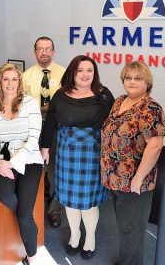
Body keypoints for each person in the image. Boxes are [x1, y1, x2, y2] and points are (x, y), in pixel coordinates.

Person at [41, 55, 114, 260]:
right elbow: (50, 122)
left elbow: (114, 124)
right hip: (66, 153)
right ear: (72, 72)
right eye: (80, 70)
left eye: (89, 70)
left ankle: (90, 237)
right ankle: (75, 235)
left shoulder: (104, 94)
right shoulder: (61, 94)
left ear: (94, 73)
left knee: (89, 202)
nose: (85, 74)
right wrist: (45, 147)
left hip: (93, 154)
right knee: (70, 201)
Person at [100, 61, 165, 265]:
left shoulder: (151, 108)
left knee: (132, 229)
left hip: (135, 183)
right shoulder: (120, 101)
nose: (132, 82)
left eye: (138, 78)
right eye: (128, 78)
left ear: (147, 82)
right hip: (116, 179)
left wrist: (138, 178)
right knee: (124, 227)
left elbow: (155, 145)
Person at [0, 63, 43, 264]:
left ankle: (32, 257)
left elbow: (33, 138)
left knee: (24, 214)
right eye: (6, 79)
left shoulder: (30, 103)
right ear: (0, 82)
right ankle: (27, 220)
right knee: (6, 195)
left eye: (14, 79)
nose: (10, 83)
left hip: (29, 159)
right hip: (2, 159)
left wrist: (14, 163)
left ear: (19, 82)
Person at [23, 36, 66, 228]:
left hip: (56, 128)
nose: (44, 53)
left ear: (54, 51)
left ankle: (54, 210)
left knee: (54, 171)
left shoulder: (65, 74)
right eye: (40, 49)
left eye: (48, 49)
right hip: (33, 127)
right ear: (35, 52)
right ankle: (35, 205)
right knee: (35, 169)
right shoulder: (26, 76)